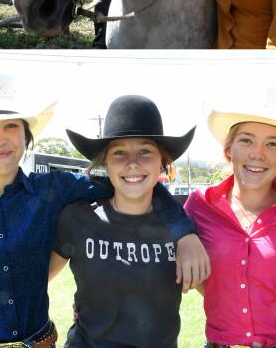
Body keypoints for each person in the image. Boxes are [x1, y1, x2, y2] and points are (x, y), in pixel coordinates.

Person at [0, 73, 209, 348]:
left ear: (26, 134)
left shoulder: (54, 191)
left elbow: (134, 182)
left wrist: (183, 233)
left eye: (11, 125)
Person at [53, 95, 202, 348]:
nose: (133, 163)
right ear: (106, 163)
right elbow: (35, 281)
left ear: (162, 162)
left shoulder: (182, 228)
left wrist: (188, 236)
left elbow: (224, 296)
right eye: (119, 153)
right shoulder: (76, 218)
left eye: (145, 151)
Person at [185, 99, 276, 348]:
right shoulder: (199, 206)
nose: (258, 154)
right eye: (246, 140)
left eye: (272, 144)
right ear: (229, 150)